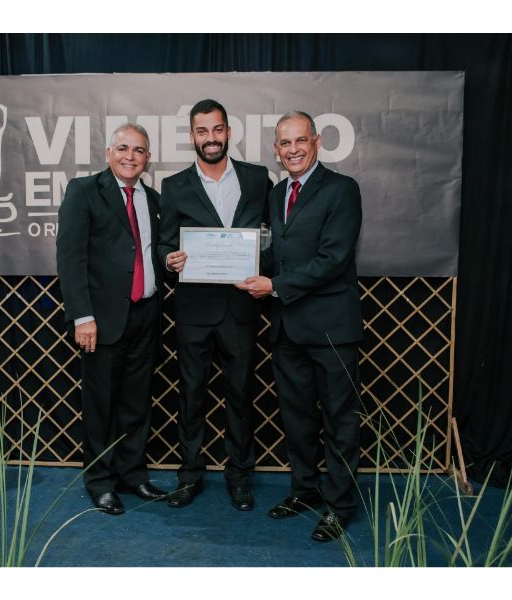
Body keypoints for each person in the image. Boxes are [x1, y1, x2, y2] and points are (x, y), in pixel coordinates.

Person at [237, 111, 362, 541]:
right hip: (287, 328)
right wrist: (235, 262)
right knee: (297, 419)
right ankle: (304, 491)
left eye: (300, 140)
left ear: (317, 142)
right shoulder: (277, 195)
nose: (293, 149)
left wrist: (274, 285)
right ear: (276, 149)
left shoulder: (342, 190)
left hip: (331, 330)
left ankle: (340, 506)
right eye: (285, 143)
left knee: (339, 422)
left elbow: (333, 259)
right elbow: (279, 254)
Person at [159, 99, 272, 510]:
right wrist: (169, 261)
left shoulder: (258, 179)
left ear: (229, 132)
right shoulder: (173, 186)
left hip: (242, 307)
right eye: (202, 131)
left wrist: (264, 268)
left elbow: (272, 236)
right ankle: (190, 475)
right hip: (194, 311)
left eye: (217, 129)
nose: (211, 138)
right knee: (191, 396)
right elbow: (163, 245)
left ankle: (239, 476)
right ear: (192, 136)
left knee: (241, 395)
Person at [56, 123, 167, 515]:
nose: (130, 156)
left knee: (137, 403)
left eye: (138, 150)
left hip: (146, 314)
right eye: (123, 148)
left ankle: (133, 475)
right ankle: (100, 482)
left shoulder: (154, 199)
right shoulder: (84, 191)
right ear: (108, 153)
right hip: (100, 320)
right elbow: (70, 258)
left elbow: (153, 254)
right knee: (100, 405)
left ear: (148, 158)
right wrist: (82, 316)